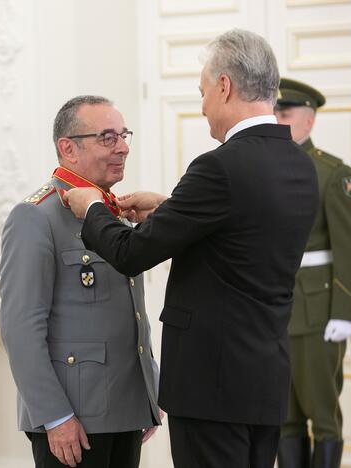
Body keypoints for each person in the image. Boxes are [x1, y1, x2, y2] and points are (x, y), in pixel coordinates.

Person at [63, 30, 319, 468]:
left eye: (202, 92)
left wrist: (91, 210)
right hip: (264, 382)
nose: (201, 107)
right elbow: (245, 233)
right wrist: (170, 208)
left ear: (224, 86)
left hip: (210, 388)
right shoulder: (300, 164)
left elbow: (131, 253)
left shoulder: (219, 166)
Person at [0, 95, 162, 468]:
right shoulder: (36, 216)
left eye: (123, 135)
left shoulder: (111, 211)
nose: (122, 147)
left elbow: (130, 314)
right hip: (73, 417)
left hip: (124, 406)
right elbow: (20, 328)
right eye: (107, 137)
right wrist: (54, 416)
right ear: (68, 148)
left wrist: (147, 389)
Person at [274, 78, 351, 468]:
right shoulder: (265, 168)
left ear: (308, 122)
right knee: (284, 417)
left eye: (286, 113)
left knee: (323, 416)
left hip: (317, 313)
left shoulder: (332, 173)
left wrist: (344, 313)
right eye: (275, 112)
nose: (277, 119)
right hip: (275, 310)